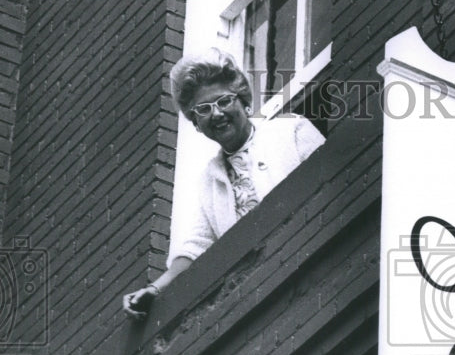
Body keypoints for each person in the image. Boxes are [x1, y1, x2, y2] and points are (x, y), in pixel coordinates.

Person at [123, 49, 324, 319]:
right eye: (203, 109)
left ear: (243, 101)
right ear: (196, 123)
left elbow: (329, 181)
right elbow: (195, 247)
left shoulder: (290, 131)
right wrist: (155, 289)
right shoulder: (210, 180)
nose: (216, 114)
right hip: (263, 295)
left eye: (224, 101)